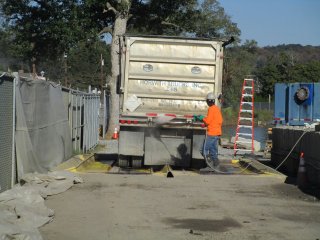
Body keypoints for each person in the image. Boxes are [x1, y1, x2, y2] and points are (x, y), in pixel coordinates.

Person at [195, 92, 223, 169]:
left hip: (212, 134)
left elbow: (207, 121)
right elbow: (218, 121)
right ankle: (216, 165)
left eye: (207, 101)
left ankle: (209, 165)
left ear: (209, 101)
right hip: (217, 134)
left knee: (203, 150)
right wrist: (205, 124)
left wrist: (201, 118)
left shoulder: (211, 109)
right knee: (213, 151)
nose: (207, 102)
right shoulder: (216, 109)